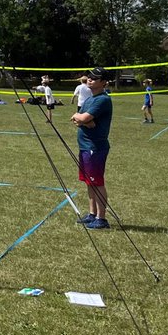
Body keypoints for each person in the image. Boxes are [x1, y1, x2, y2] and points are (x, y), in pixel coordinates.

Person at [70, 67, 113, 229]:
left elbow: (82, 117)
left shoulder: (103, 99)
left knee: (97, 182)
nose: (90, 79)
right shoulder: (89, 99)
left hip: (95, 146)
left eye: (95, 78)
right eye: (89, 77)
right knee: (89, 182)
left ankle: (102, 219)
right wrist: (81, 119)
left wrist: (80, 118)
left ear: (103, 83)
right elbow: (81, 119)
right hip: (85, 146)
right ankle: (92, 214)